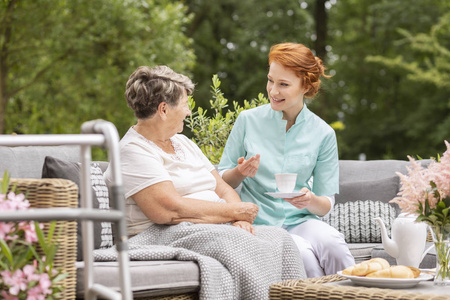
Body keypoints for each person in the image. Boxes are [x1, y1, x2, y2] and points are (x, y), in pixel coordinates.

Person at [218, 42, 355, 277]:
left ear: (306, 86)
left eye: (283, 84)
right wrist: (240, 172)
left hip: (301, 220)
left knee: (334, 245)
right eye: (271, 80)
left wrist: (309, 200)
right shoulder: (247, 120)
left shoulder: (323, 133)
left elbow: (325, 204)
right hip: (260, 222)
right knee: (302, 255)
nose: (273, 91)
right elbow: (221, 180)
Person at [103, 65, 259, 237]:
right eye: (185, 105)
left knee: (279, 238)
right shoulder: (132, 151)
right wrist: (235, 212)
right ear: (163, 110)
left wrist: (240, 220)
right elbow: (170, 210)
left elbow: (222, 189)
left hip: (212, 228)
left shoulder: (183, 142)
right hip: (160, 236)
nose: (188, 112)